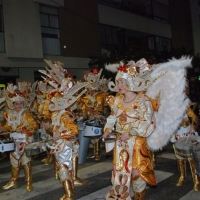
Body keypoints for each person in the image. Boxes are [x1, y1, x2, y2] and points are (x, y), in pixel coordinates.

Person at [103, 59, 157, 200]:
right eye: (118, 81)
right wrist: (108, 128)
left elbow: (148, 122)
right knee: (120, 175)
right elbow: (112, 117)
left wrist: (132, 132)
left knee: (136, 176)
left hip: (137, 144)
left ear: (131, 82)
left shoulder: (143, 101)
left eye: (122, 82)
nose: (119, 85)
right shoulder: (117, 100)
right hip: (120, 144)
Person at [0, 83, 38, 192]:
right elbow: (8, 126)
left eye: (20, 103)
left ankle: (29, 182)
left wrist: (22, 129)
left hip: (24, 141)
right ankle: (14, 181)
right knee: (14, 162)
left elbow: (34, 126)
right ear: (12, 104)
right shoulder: (9, 114)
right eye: (16, 104)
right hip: (13, 141)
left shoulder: (26, 114)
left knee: (26, 162)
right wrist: (3, 129)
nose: (18, 106)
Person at [171, 84, 199, 191]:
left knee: (192, 158)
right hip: (177, 134)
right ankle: (182, 176)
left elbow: (195, 117)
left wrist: (193, 125)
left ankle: (196, 180)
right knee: (179, 158)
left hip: (187, 133)